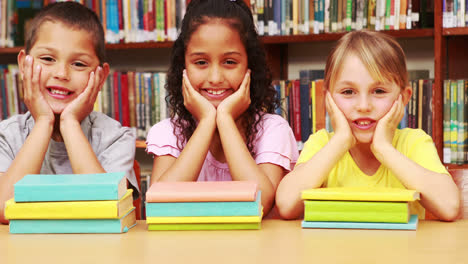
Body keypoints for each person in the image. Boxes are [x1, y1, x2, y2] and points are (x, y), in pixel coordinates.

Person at [275, 30, 460, 221]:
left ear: (403, 98)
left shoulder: (413, 142)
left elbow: (450, 206)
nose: (363, 106)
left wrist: (383, 148)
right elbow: (286, 204)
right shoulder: (322, 144)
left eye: (378, 91)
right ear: (327, 97)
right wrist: (340, 141)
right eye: (348, 92)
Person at [146, 0, 299, 216]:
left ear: (250, 66)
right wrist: (207, 121)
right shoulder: (168, 132)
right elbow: (159, 205)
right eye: (201, 62)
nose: (215, 78)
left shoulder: (273, 130)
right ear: (183, 67)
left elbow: (260, 203)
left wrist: (225, 119)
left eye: (229, 62)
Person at [0, 2, 138, 224]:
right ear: (24, 65)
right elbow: (4, 209)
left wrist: (70, 123)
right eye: (47, 59)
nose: (62, 73)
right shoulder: (7, 135)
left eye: (78, 64)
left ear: (101, 77)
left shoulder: (116, 138)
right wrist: (43, 122)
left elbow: (103, 209)